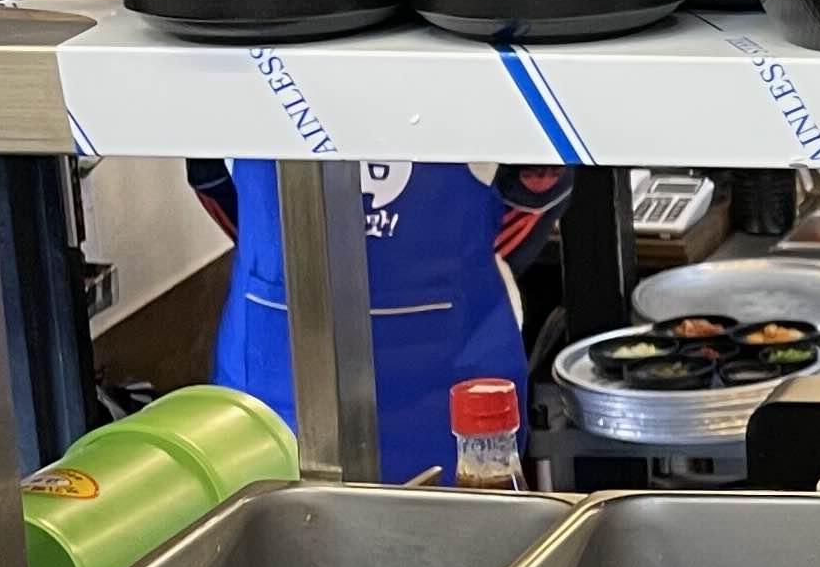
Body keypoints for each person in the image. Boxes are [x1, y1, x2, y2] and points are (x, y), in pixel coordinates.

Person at [194, 159, 562, 483]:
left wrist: (466, 265)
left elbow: (540, 183)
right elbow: (206, 171)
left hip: (450, 389)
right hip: (270, 381)